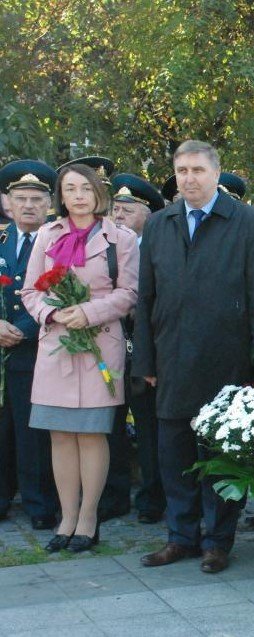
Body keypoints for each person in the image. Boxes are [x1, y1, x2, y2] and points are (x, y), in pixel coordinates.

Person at [134, 140, 254, 574]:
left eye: (198, 170)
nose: (189, 178)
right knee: (175, 454)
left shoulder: (246, 223)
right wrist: (144, 362)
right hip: (170, 360)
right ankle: (180, 537)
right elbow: (144, 298)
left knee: (222, 454)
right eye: (182, 170)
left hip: (226, 359)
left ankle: (218, 541)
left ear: (216, 173)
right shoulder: (160, 224)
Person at [22, 162, 139, 554]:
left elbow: (129, 293)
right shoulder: (46, 235)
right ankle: (66, 517)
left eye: (85, 189)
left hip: (98, 345)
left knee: (90, 434)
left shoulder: (118, 237)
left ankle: (89, 518)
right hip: (57, 345)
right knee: (60, 436)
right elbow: (29, 291)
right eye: (70, 189)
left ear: (98, 194)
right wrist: (53, 313)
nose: (77, 196)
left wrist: (88, 312)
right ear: (61, 195)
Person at [101, 174, 166, 525]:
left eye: (129, 208)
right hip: (108, 346)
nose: (120, 214)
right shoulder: (105, 245)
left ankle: (152, 497)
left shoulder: (157, 245)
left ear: (149, 212)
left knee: (148, 423)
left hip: (147, 348)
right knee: (110, 421)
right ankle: (114, 494)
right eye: (116, 208)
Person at [0, 160, 58, 530]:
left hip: (38, 349)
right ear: (7, 202)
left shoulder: (58, 242)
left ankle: (39, 505)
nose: (28, 205)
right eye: (20, 198)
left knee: (32, 430)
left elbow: (61, 293)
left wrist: (21, 328)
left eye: (37, 199)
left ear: (49, 203)